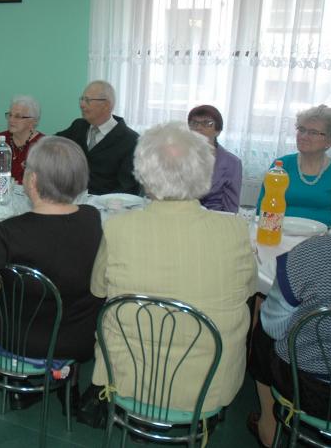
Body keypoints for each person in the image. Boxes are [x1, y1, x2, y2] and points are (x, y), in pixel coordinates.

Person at [84, 122, 255, 426]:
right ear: (204, 173)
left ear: (143, 174)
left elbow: (98, 290)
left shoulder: (117, 227)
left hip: (128, 379)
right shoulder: (236, 229)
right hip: (208, 387)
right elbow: (249, 290)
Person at [0, 136, 103, 410]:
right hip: (80, 339)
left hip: (19, 339)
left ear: (32, 180)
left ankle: (31, 384)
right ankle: (66, 378)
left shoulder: (11, 232)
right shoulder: (92, 218)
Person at [248, 153, 331, 447]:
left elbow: (274, 326)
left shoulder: (310, 253)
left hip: (312, 390)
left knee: (263, 330)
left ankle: (268, 425)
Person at [257, 105, 331, 226]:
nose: (303, 136)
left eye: (313, 132)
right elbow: (263, 208)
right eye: (301, 130)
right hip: (279, 232)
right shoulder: (281, 166)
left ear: (330, 141)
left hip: (325, 235)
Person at [56, 80, 140, 195]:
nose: (82, 105)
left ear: (106, 105)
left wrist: (99, 202)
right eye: (82, 99)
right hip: (70, 198)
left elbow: (127, 187)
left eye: (87, 100)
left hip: (106, 203)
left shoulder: (131, 141)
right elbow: (51, 144)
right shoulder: (78, 126)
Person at [187, 105, 243, 213]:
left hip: (214, 217)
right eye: (194, 123)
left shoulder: (232, 163)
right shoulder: (178, 156)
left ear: (218, 131)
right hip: (181, 216)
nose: (199, 127)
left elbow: (231, 209)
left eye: (207, 123)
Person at [0, 96, 44, 183]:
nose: (11, 120)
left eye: (17, 116)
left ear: (32, 121)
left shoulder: (43, 144)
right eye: (10, 115)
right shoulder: (0, 139)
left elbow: (42, 181)